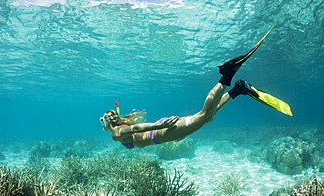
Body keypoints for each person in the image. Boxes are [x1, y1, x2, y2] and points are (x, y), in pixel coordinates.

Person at [100, 27, 291, 149]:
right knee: (207, 117)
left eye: (103, 122)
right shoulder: (119, 129)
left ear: (109, 123)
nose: (102, 125)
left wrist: (161, 126)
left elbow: (138, 127)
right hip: (165, 133)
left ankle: (227, 75)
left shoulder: (117, 134)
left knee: (203, 115)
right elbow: (137, 128)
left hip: (164, 131)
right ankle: (237, 90)